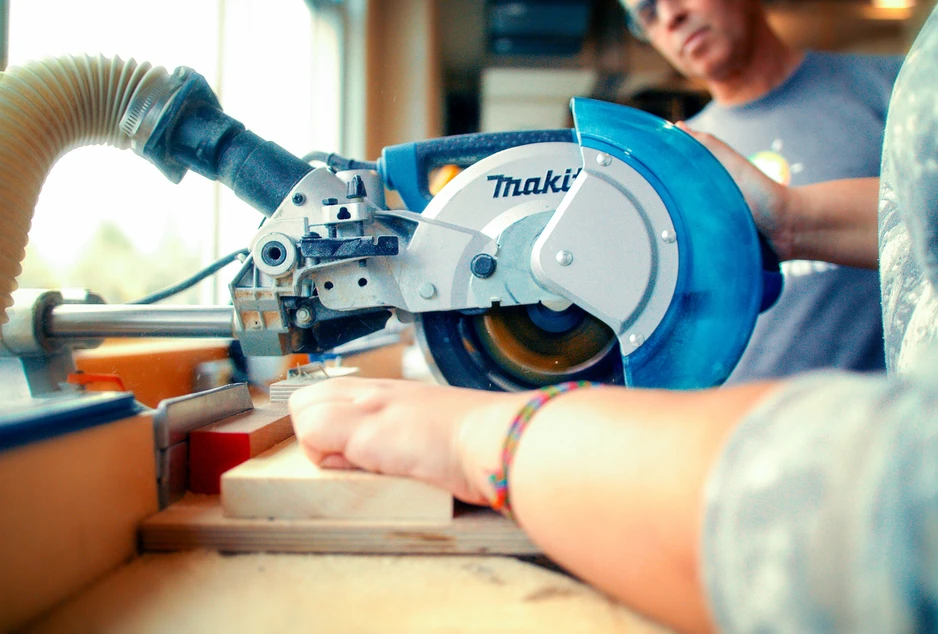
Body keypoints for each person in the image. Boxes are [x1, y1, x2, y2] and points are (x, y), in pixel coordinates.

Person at [289, 6, 938, 633]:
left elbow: (889, 522)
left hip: (776, 467)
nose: (669, 17)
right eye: (645, 12)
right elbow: (910, 217)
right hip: (680, 449)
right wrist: (788, 220)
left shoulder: (887, 79)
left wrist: (475, 438)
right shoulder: (682, 152)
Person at [623, 0, 903, 383]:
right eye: (647, 13)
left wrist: (790, 221)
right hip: (751, 431)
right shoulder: (677, 164)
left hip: (895, 418)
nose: (671, 17)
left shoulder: (898, 89)